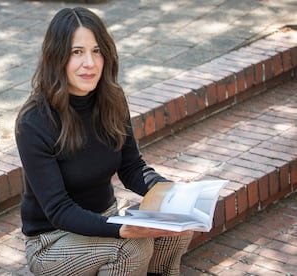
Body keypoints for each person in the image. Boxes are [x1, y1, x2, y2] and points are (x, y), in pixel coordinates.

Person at [15, 7, 193, 276]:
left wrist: (170, 193)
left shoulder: (112, 99)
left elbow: (132, 167)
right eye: (77, 52)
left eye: (97, 51)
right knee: (131, 249)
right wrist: (119, 228)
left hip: (105, 218)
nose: (90, 63)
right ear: (57, 57)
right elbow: (59, 210)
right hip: (52, 240)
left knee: (178, 225)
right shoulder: (34, 122)